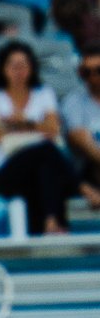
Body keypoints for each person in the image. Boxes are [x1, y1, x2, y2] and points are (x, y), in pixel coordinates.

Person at [0, 41, 77, 236]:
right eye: (13, 66)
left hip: (42, 164)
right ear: (3, 68)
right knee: (46, 150)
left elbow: (54, 128)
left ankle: (50, 222)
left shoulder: (43, 93)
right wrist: (36, 127)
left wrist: (17, 124)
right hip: (9, 164)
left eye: (23, 65)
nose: (19, 71)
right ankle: (79, 186)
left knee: (46, 166)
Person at [59, 45, 100, 203]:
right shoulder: (74, 101)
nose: (94, 77)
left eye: (98, 70)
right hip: (88, 166)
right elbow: (77, 137)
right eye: (87, 72)